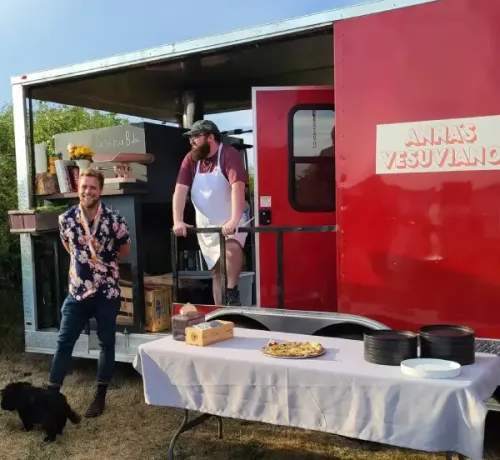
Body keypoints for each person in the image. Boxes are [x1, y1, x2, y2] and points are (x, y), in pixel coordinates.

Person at [48, 168, 131, 418]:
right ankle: (51, 396)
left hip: (107, 291)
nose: (88, 191)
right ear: (78, 189)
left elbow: (124, 249)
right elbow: (68, 245)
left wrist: (103, 265)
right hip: (78, 292)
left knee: (106, 342)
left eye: (93, 187)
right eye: (84, 187)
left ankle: (100, 396)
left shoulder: (115, 219)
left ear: (100, 190)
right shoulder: (66, 219)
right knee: (64, 342)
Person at [173, 120, 250, 306]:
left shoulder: (229, 154)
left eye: (196, 137)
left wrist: (234, 220)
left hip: (233, 219)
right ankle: (220, 311)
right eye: (190, 138)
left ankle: (231, 293)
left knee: (231, 250)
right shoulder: (190, 159)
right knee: (216, 271)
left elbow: (237, 187)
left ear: (211, 137)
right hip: (207, 225)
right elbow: (180, 190)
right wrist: (178, 221)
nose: (192, 141)